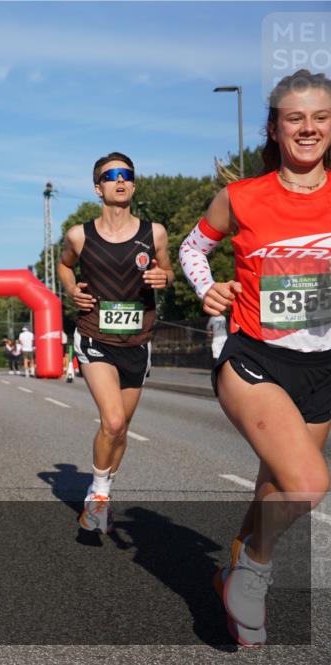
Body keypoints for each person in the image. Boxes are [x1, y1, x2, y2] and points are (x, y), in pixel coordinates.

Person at [178, 70, 330, 648]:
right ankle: (254, 570)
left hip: (322, 367)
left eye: (320, 117)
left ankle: (236, 570)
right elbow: (194, 247)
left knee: (276, 486)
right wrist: (207, 288)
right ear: (274, 127)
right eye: (295, 118)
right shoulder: (242, 196)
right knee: (307, 483)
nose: (308, 128)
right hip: (255, 357)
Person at [57, 151, 174, 535]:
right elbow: (64, 265)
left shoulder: (155, 233)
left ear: (133, 185)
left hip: (138, 341)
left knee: (121, 430)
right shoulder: (79, 235)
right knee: (113, 420)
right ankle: (98, 495)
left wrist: (164, 278)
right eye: (111, 176)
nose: (120, 180)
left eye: (126, 175)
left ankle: (102, 489)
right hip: (95, 337)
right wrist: (72, 291)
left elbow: (168, 270)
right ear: (98, 188)